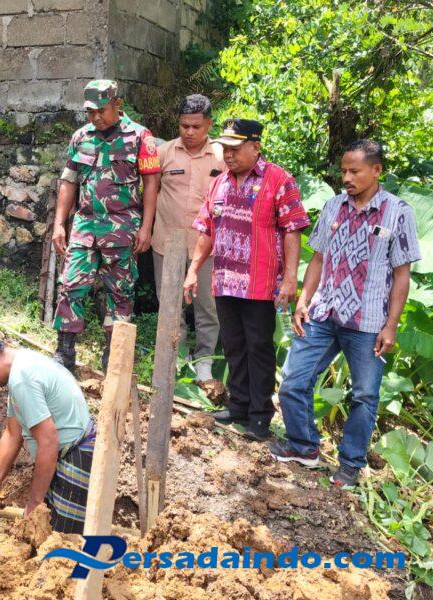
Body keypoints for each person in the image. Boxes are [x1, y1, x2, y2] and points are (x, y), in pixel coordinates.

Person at [271, 140, 420, 489]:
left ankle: (350, 464)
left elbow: (402, 275)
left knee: (364, 395)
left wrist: (391, 325)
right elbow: (318, 257)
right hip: (325, 313)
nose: (347, 178)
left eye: (355, 171)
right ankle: (303, 446)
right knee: (293, 380)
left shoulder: (398, 212)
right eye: (343, 171)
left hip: (368, 323)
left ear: (376, 171)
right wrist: (305, 299)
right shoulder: (334, 206)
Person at [184, 119, 310, 441]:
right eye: (225, 149)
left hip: (260, 283)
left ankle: (260, 416)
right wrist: (193, 269)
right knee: (233, 345)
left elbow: (292, 230)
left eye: (235, 149)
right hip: (225, 280)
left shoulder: (279, 180)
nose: (228, 155)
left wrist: (290, 278)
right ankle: (238, 406)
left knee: (259, 348)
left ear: (256, 147)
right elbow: (207, 229)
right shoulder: (219, 183)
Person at [52, 80, 161, 372]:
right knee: (71, 285)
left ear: (117, 105)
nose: (96, 117)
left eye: (101, 111)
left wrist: (146, 227)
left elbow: (151, 183)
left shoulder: (140, 137)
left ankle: (114, 355)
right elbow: (68, 181)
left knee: (120, 292)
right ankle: (64, 352)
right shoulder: (81, 137)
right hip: (85, 225)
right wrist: (59, 224)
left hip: (123, 228)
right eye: (90, 112)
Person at [0, 330, 95, 534]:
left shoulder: (22, 378)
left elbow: (48, 441)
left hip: (76, 457)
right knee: (50, 532)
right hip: (66, 455)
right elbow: (13, 433)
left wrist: (34, 503)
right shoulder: (21, 366)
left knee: (63, 539)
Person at [153, 94, 224, 389]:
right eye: (184, 126)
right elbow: (150, 192)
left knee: (208, 306)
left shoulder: (222, 156)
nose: (189, 132)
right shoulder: (164, 153)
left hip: (207, 246)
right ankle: (177, 359)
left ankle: (204, 363)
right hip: (166, 243)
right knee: (169, 305)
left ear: (209, 124)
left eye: (196, 126)